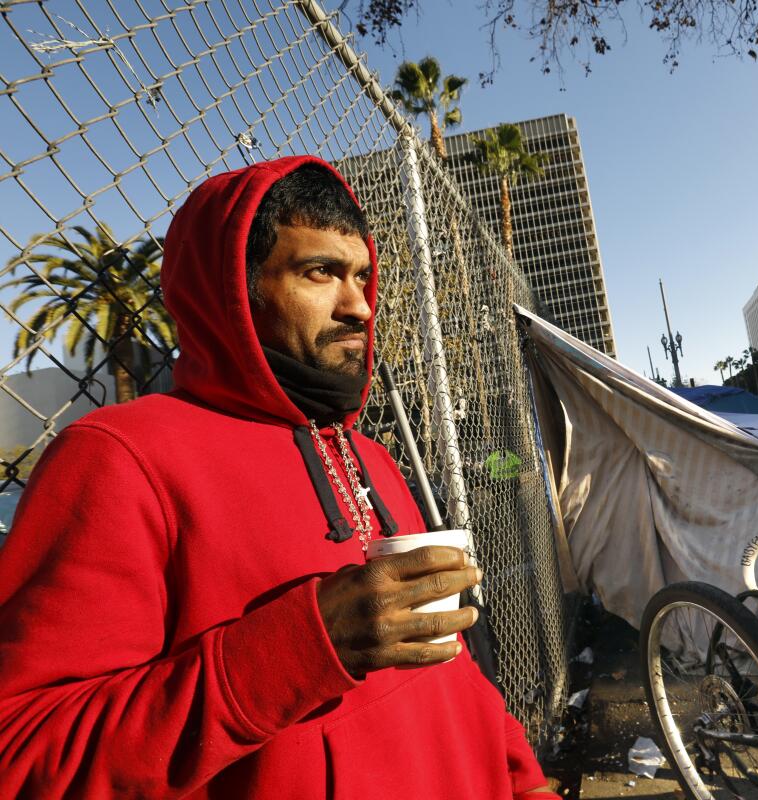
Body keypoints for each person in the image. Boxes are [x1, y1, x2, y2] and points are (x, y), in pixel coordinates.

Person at [0, 156, 555, 799]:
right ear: (235, 288)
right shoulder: (120, 458)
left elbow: (449, 671)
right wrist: (302, 648)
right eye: (319, 271)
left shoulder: (369, 457)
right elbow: (23, 754)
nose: (359, 306)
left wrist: (522, 778)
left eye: (363, 276)